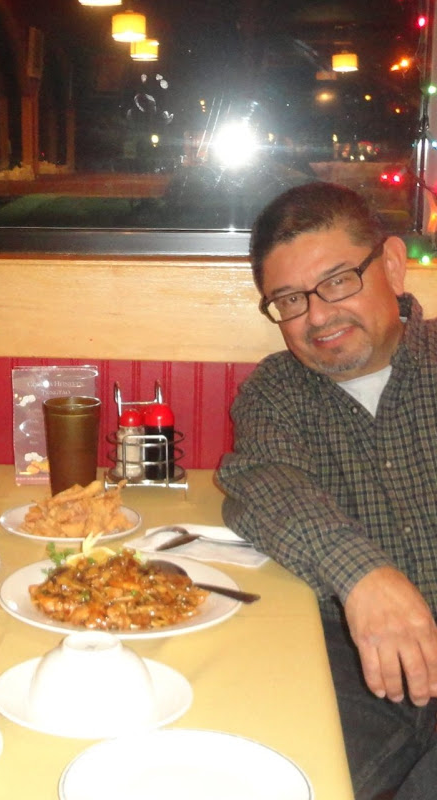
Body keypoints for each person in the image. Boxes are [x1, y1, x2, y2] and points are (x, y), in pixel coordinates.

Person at [216, 182, 437, 799]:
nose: (316, 316)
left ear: (391, 265)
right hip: (349, 657)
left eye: (337, 281)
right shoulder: (277, 392)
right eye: (289, 299)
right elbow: (264, 484)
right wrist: (363, 575)